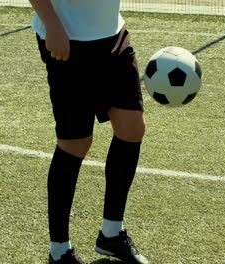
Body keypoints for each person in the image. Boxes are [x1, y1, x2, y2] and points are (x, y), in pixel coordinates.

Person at [29, 1, 149, 263]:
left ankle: (112, 234)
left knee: (132, 128)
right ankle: (59, 250)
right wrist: (52, 25)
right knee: (75, 143)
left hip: (113, 35)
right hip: (67, 40)